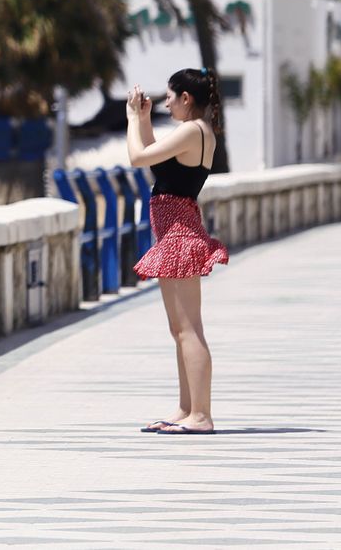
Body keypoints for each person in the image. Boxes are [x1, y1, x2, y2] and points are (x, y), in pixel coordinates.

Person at [127, 69, 229, 436]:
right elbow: (155, 160)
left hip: (180, 236)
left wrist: (130, 119)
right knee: (179, 329)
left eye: (170, 97)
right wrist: (141, 119)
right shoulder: (196, 132)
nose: (165, 102)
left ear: (187, 98)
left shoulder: (192, 130)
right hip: (173, 233)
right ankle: (186, 408)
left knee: (190, 330)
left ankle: (201, 415)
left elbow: (137, 158)